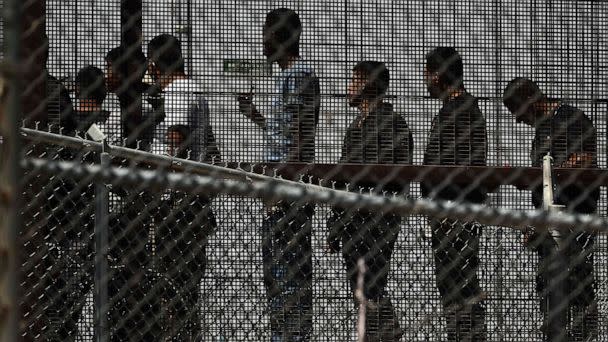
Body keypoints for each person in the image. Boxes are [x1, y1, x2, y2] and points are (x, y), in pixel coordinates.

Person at [237, 8, 320, 341]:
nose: (262, 40)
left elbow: (302, 134)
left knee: (287, 274)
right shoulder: (284, 76)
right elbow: (285, 133)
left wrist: (284, 186)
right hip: (279, 186)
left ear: (279, 36)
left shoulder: (298, 75)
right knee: (277, 274)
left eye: (265, 33)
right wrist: (255, 116)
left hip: (287, 191)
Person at [503, 78, 598, 342]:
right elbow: (544, 185)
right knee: (549, 294)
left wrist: (558, 174)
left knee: (576, 290)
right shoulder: (541, 132)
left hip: (574, 221)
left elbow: (585, 159)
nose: (518, 120)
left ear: (529, 102)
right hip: (550, 227)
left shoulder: (571, 119)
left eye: (517, 111)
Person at [327, 61, 412, 342]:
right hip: (352, 219)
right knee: (362, 286)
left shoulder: (391, 123)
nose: (349, 87)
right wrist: (335, 221)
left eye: (355, 80)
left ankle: (380, 333)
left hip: (376, 218)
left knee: (371, 283)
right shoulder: (355, 127)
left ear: (368, 85)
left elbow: (394, 173)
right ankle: (384, 331)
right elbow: (342, 177)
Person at [147, 33, 220, 341]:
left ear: (153, 64)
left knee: (170, 286)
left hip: (176, 205)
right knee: (185, 289)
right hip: (191, 202)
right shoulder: (195, 92)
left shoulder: (177, 93)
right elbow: (210, 147)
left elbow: (175, 143)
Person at [422, 47, 487, 341]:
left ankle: (465, 336)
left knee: (457, 283)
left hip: (453, 212)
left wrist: (445, 207)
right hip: (451, 212)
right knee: (456, 284)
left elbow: (459, 165)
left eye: (427, 74)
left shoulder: (459, 111)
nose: (425, 81)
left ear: (437, 75)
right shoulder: (458, 109)